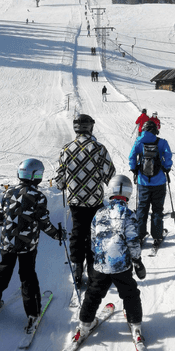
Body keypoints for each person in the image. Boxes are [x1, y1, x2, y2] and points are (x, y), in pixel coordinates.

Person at [0, 158, 64, 332]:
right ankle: (33, 313)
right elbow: (43, 222)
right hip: (27, 245)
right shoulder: (38, 196)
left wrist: (7, 230)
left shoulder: (8, 192)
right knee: (27, 275)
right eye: (39, 174)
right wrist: (57, 235)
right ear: (35, 177)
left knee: (3, 271)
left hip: (8, 242)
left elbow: (0, 216)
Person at [75, 174, 145, 343]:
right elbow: (133, 240)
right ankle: (135, 325)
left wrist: (97, 257)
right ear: (128, 194)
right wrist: (137, 261)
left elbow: (93, 239)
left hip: (101, 264)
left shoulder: (99, 213)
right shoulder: (129, 214)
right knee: (130, 293)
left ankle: (84, 324)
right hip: (120, 265)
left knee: (93, 293)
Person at [56, 115, 115, 288]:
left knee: (77, 231)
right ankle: (93, 268)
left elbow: (60, 180)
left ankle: (76, 267)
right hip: (94, 200)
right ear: (90, 128)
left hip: (75, 200)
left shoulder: (66, 149)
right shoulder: (98, 148)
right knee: (94, 233)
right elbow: (109, 175)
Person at [129, 120, 174, 249]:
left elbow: (131, 156)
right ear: (155, 130)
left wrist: (134, 169)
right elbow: (168, 157)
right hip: (159, 181)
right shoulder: (162, 142)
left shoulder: (139, 141)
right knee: (157, 210)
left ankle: (140, 235)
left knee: (142, 208)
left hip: (143, 182)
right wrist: (166, 168)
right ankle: (157, 236)